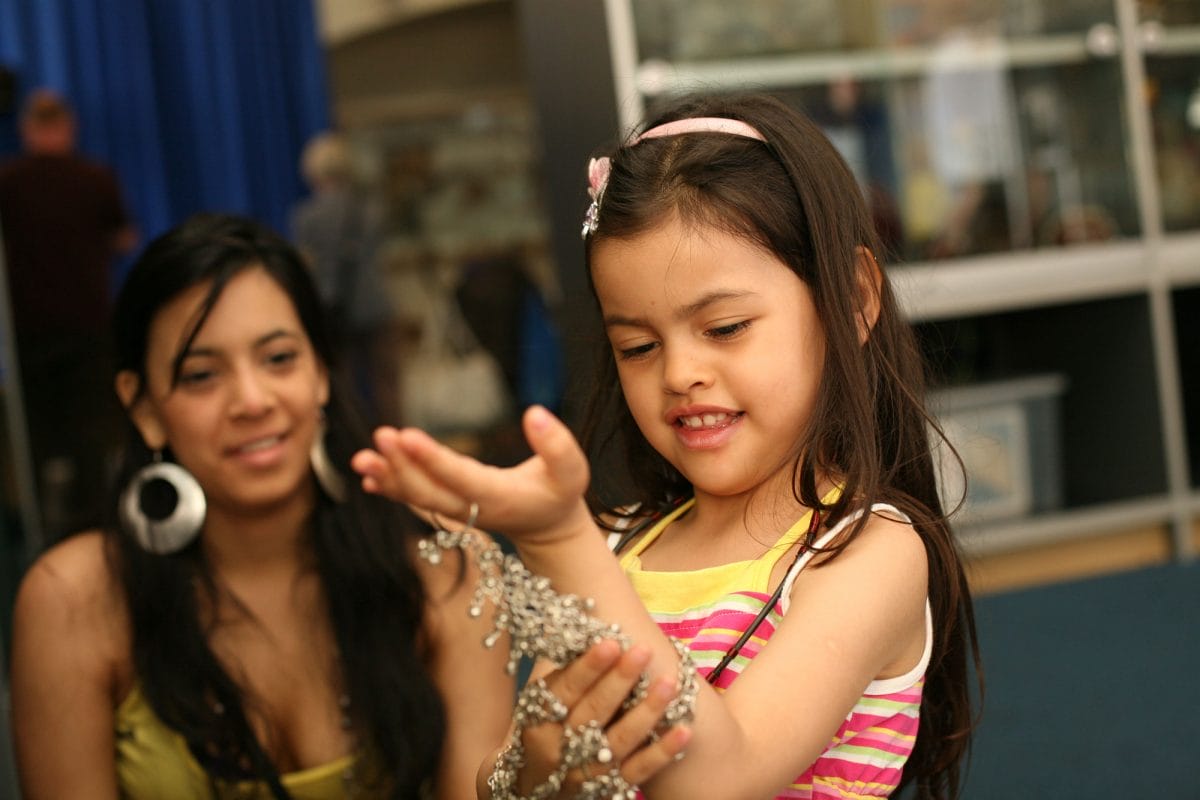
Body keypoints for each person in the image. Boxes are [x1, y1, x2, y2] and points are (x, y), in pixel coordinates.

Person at [351, 93, 982, 799]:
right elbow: (511, 778)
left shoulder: (865, 550)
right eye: (638, 346)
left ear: (856, 299)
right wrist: (530, 775)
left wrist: (557, 539)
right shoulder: (616, 544)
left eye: (725, 328)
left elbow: (719, 776)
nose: (680, 374)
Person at [9, 213, 687, 799]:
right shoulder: (73, 601)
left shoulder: (440, 564)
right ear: (144, 407)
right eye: (201, 375)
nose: (252, 400)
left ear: (322, 374)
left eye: (278, 358)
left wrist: (533, 779)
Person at [0, 88, 138, 540]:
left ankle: (44, 530)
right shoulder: (95, 179)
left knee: (38, 435)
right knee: (90, 435)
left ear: (27, 130)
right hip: (88, 325)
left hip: (30, 329)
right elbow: (124, 238)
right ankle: (93, 529)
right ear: (68, 127)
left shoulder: (9, 182)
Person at [290, 131, 403, 424]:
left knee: (345, 387)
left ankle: (355, 447)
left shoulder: (306, 217)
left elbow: (307, 266)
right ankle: (398, 444)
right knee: (387, 384)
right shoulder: (370, 210)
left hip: (335, 308)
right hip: (377, 305)